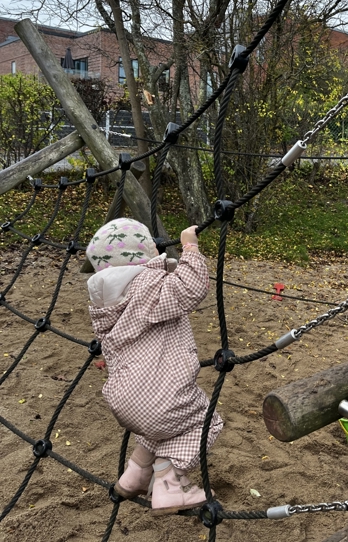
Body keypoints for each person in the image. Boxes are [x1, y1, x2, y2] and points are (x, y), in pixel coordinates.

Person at [86, 217, 223, 514]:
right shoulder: (148, 284)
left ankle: (136, 473)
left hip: (124, 398)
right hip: (160, 397)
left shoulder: (104, 300)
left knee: (158, 426)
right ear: (144, 252)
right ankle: (170, 482)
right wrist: (190, 248)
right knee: (205, 420)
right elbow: (190, 288)